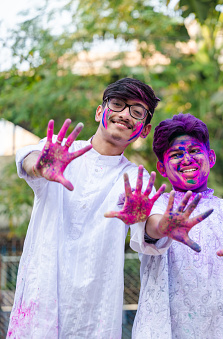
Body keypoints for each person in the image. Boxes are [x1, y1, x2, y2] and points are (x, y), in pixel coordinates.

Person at [9, 78, 164, 338]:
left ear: (145, 130)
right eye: (117, 104)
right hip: (40, 305)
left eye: (136, 112)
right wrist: (40, 165)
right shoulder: (61, 153)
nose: (124, 115)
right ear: (99, 111)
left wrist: (165, 226)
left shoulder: (137, 180)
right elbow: (29, 158)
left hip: (94, 316)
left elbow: (153, 222)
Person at [129, 113, 223, 338]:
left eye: (195, 151)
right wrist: (164, 227)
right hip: (162, 329)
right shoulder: (156, 204)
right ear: (161, 168)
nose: (187, 159)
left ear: (211, 157)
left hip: (222, 328)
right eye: (177, 154)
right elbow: (151, 229)